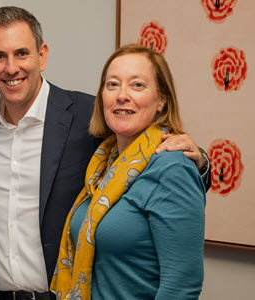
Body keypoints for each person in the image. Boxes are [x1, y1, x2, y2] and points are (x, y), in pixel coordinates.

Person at [0, 6, 210, 299]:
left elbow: (162, 166)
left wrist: (199, 159)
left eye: (22, 53)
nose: (11, 67)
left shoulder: (87, 116)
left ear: (42, 55)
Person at [50, 44, 206, 299]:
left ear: (162, 100)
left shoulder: (172, 168)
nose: (122, 95)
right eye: (112, 84)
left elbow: (181, 286)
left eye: (137, 85)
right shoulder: (102, 164)